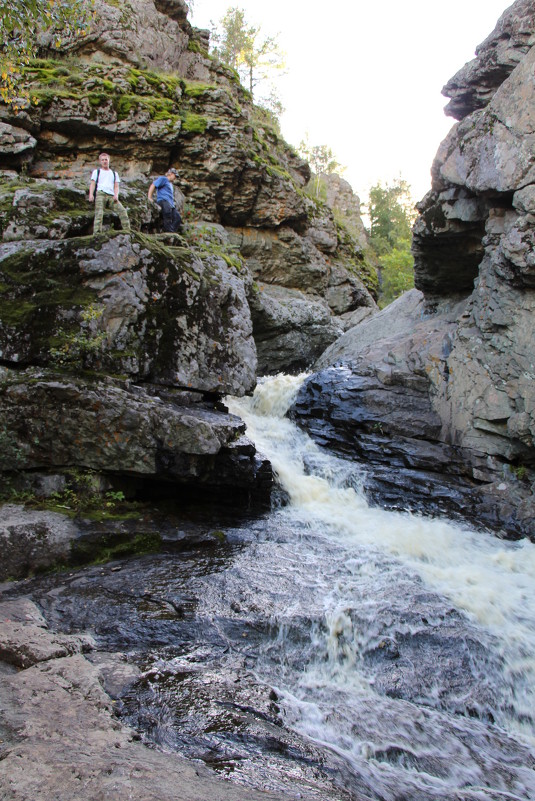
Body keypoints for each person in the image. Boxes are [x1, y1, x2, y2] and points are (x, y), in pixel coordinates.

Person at [88, 153, 131, 234]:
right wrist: (91, 194)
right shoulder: (97, 172)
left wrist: (116, 195)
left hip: (111, 195)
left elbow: (116, 186)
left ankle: (127, 231)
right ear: (100, 161)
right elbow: (93, 184)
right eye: (103, 160)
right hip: (100, 194)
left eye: (106, 160)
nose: (104, 161)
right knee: (99, 213)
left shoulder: (114, 174)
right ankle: (97, 233)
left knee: (122, 210)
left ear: (109, 161)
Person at [147, 168, 183, 233]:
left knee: (178, 218)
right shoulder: (163, 179)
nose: (175, 178)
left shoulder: (170, 184)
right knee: (167, 213)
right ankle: (167, 231)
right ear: (171, 174)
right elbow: (153, 185)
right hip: (163, 200)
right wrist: (149, 197)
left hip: (170, 204)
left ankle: (171, 231)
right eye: (175, 176)